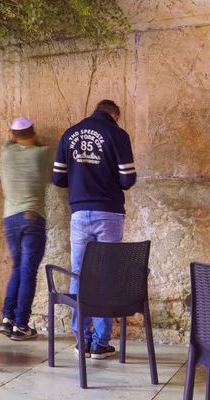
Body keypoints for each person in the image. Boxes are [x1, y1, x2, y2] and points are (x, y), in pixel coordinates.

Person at [52, 99, 137, 359]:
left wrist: (81, 180)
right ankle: (101, 344)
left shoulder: (69, 133)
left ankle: (82, 340)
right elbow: (128, 179)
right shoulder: (117, 134)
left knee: (79, 274)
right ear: (115, 115)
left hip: (79, 213)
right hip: (108, 213)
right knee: (105, 274)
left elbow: (58, 177)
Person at [0, 117, 52, 341]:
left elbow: (12, 141)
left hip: (9, 219)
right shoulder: (44, 153)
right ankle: (21, 324)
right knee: (28, 270)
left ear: (12, 135)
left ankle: (7, 318)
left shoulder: (6, 150)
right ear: (35, 132)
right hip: (32, 218)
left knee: (18, 268)